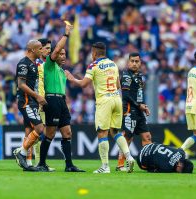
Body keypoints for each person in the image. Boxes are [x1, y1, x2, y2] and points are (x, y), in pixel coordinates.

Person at [65, 42, 135, 173]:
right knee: (115, 132)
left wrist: (71, 79)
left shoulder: (93, 65)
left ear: (95, 53)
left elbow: (84, 85)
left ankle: (105, 166)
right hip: (116, 99)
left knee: (102, 133)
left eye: (92, 53)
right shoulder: (113, 64)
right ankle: (129, 157)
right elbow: (118, 86)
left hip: (104, 101)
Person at [36, 23, 84, 172]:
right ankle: (41, 163)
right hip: (52, 100)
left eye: (64, 54)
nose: (63, 56)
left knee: (67, 132)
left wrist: (73, 80)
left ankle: (69, 165)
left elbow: (78, 85)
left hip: (61, 101)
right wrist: (66, 34)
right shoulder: (48, 64)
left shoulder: (62, 71)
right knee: (50, 133)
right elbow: (56, 50)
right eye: (60, 54)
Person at [13, 39, 46, 171]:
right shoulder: (23, 64)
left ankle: (27, 162)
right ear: (32, 50)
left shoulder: (33, 64)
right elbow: (21, 84)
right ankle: (21, 152)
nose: (41, 51)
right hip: (26, 101)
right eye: (39, 49)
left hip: (32, 100)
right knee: (39, 128)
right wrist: (37, 96)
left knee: (29, 130)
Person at [116, 52, 152, 172]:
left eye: (137, 61)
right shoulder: (126, 76)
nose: (135, 64)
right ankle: (120, 164)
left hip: (139, 111)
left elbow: (139, 95)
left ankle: (147, 163)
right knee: (127, 137)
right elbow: (125, 95)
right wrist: (139, 105)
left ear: (140, 63)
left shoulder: (140, 76)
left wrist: (144, 106)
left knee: (147, 136)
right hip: (129, 111)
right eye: (132, 61)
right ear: (128, 62)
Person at [26, 38, 53, 169]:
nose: (49, 51)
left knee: (35, 132)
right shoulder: (35, 64)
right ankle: (37, 162)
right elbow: (34, 84)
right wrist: (37, 99)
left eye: (49, 48)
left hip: (42, 101)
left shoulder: (43, 64)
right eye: (46, 48)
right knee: (36, 131)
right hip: (36, 102)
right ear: (40, 49)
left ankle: (34, 161)